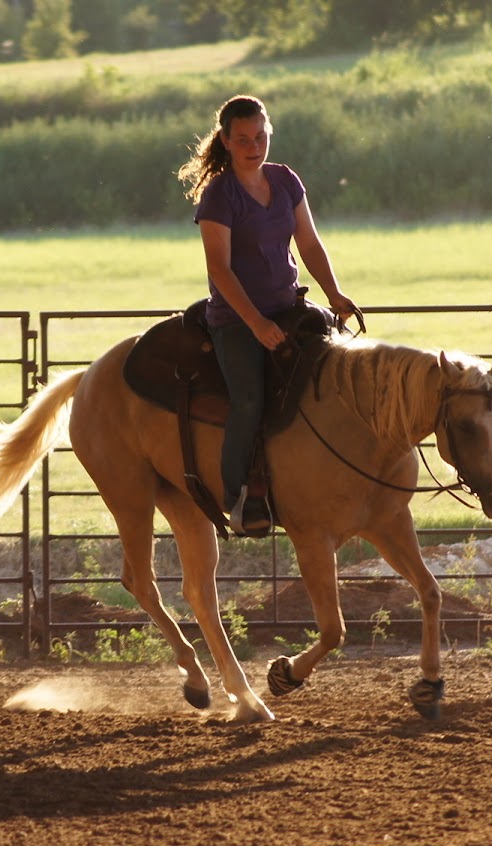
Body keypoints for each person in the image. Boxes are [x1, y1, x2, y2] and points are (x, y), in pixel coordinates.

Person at [178, 94, 359, 536]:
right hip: (238, 319)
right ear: (225, 140)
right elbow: (219, 268)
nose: (254, 146)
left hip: (288, 306)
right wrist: (258, 325)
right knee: (249, 399)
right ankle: (236, 496)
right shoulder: (221, 195)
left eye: (260, 136)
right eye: (242, 139)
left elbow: (310, 244)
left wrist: (335, 295)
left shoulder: (285, 181)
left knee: (337, 369)